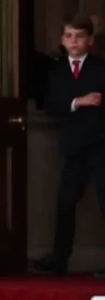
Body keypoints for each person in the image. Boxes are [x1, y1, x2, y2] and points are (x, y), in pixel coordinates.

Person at [35, 14, 105, 274]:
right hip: (74, 145)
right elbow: (51, 104)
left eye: (80, 36)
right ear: (62, 41)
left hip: (101, 143)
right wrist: (78, 101)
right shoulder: (57, 72)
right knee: (65, 202)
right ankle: (59, 259)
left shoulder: (101, 68)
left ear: (90, 40)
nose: (74, 41)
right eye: (69, 36)